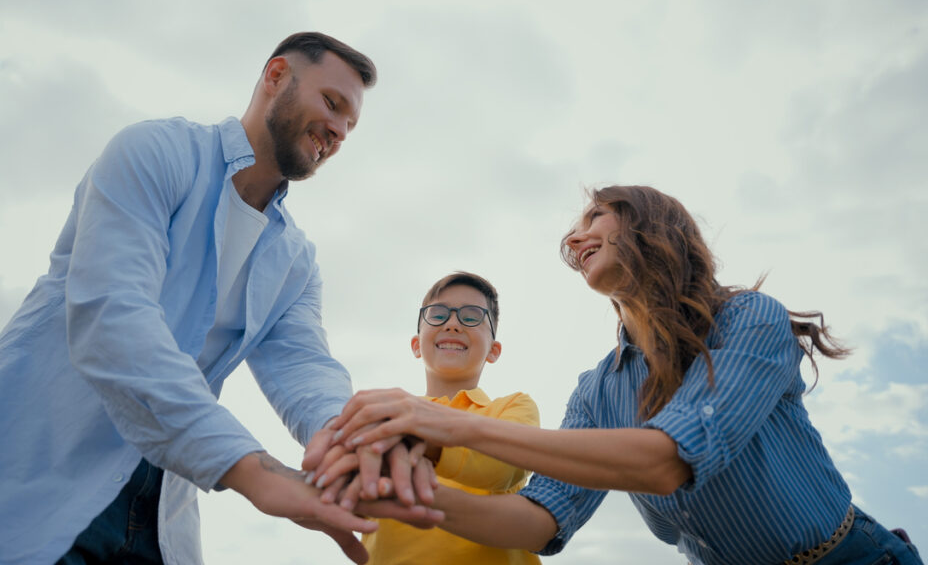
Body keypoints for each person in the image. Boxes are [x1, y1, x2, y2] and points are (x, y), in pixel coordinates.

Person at [0, 32, 437, 565]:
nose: (338, 130)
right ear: (276, 76)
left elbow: (307, 367)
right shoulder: (153, 152)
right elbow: (114, 323)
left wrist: (347, 443)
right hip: (19, 497)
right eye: (333, 104)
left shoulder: (296, 262)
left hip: (155, 521)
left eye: (350, 126)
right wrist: (252, 470)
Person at [319, 185, 924, 565]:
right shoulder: (597, 390)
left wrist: (446, 428)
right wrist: (402, 497)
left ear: (651, 225)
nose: (576, 237)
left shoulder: (748, 320)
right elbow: (537, 522)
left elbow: (667, 461)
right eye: (574, 230)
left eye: (595, 216)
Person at [319, 271, 542, 564]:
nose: (452, 324)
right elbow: (358, 494)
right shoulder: (384, 415)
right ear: (415, 345)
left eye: (472, 316)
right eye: (437, 315)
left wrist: (417, 441)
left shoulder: (514, 407)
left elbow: (503, 467)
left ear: (494, 350)